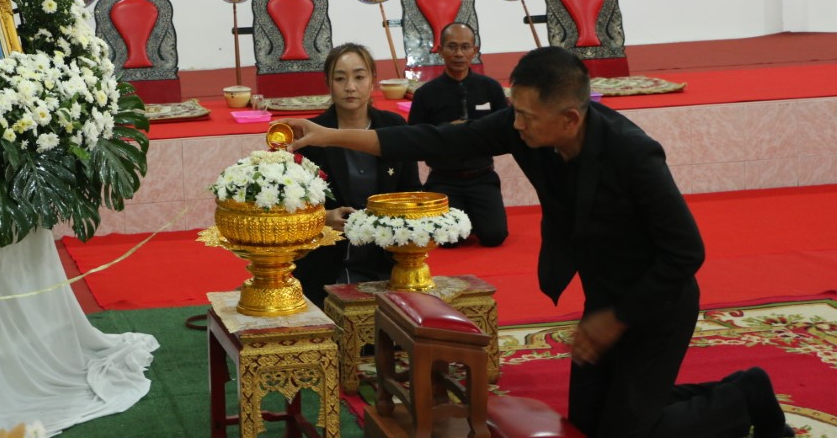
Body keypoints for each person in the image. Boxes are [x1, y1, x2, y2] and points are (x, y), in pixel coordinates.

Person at [287, 46, 792, 438]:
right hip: (604, 295)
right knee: (591, 424)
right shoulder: (527, 127)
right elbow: (438, 140)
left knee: (625, 435)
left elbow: (687, 253)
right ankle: (730, 392)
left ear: (569, 118)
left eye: (526, 115)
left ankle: (745, 397)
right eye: (515, 111)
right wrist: (327, 136)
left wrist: (616, 319)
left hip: (656, 302)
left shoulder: (634, 155)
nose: (516, 123)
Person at [291, 43, 421, 309]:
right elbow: (292, 208)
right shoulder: (311, 134)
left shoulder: (394, 127)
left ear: (373, 79)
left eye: (359, 77)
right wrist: (324, 218)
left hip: (388, 258)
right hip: (327, 260)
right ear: (328, 83)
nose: (350, 87)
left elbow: (412, 192)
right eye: (340, 78)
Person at [408, 22, 508, 247]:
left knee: (494, 236)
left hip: (482, 177)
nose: (459, 54)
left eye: (465, 47)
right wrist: (446, 133)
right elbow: (414, 140)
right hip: (444, 179)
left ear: (474, 50)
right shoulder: (425, 93)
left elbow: (505, 132)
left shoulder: (491, 88)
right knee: (449, 241)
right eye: (452, 47)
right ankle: (462, 217)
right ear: (440, 50)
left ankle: (472, 216)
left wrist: (475, 132)